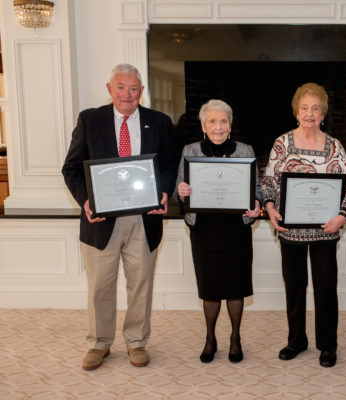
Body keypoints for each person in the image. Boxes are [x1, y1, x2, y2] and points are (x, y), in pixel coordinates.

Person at [62, 63, 177, 370]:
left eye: (134, 88)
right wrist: (86, 201)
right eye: (121, 87)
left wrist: (165, 192)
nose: (127, 94)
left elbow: (168, 165)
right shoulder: (90, 120)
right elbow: (71, 169)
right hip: (101, 221)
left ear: (142, 91)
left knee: (140, 284)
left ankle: (137, 341)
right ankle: (99, 343)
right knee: (100, 285)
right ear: (109, 89)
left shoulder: (160, 122)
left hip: (144, 218)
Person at [261, 82, 346, 368]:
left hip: (325, 231)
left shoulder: (334, 146)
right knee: (294, 286)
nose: (310, 113)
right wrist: (269, 207)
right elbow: (267, 182)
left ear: (323, 113)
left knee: (325, 288)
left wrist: (342, 216)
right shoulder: (282, 143)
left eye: (315, 108)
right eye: (304, 108)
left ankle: (327, 345)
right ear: (296, 111)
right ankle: (296, 340)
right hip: (291, 230)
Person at [174, 99, 262, 364]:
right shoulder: (190, 149)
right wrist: (182, 192)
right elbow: (180, 185)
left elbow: (256, 190)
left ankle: (235, 337)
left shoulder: (245, 150)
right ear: (203, 125)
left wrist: (256, 204)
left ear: (230, 124)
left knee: (236, 287)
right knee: (210, 288)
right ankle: (210, 337)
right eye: (212, 121)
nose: (218, 126)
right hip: (205, 229)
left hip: (236, 228)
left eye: (223, 121)